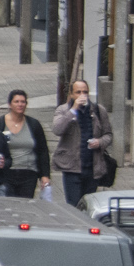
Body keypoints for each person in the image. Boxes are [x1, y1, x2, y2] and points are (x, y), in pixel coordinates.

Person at [52, 77, 114, 207]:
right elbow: (57, 129)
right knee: (74, 206)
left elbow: (108, 135)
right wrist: (73, 110)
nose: (82, 95)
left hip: (93, 168)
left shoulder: (98, 110)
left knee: (89, 206)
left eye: (85, 92)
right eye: (78, 92)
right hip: (72, 168)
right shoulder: (63, 110)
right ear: (71, 94)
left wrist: (100, 142)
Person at [0, 89, 52, 200]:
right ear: (10, 104)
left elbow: (43, 151)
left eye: (23, 102)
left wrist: (45, 175)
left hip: (28, 173)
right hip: (6, 173)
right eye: (16, 101)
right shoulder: (0, 124)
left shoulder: (33, 124)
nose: (20, 104)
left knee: (25, 205)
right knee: (8, 203)